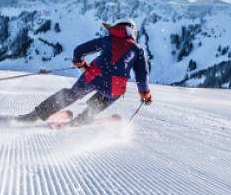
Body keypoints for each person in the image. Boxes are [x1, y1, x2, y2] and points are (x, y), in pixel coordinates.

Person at [16, 19, 151, 125]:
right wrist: (145, 93)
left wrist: (79, 62)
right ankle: (86, 117)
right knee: (110, 95)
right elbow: (142, 75)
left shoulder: (107, 40)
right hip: (115, 85)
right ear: (133, 32)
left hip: (94, 76)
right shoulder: (137, 49)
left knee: (72, 94)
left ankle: (34, 116)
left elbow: (79, 50)